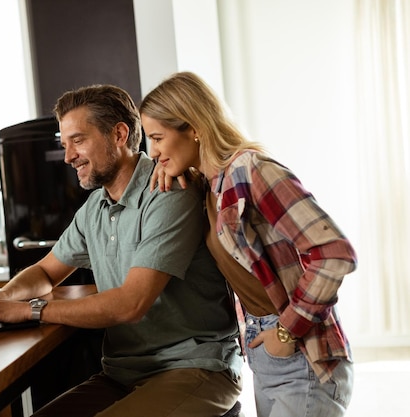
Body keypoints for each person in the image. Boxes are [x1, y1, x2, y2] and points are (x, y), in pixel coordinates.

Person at [0, 84, 243, 416]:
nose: (67, 157)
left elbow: (131, 304)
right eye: (64, 145)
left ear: (119, 134)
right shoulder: (96, 207)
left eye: (78, 140)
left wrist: (28, 310)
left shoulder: (168, 192)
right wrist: (5, 297)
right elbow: (46, 271)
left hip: (195, 367)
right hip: (123, 374)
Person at [140, 71, 357, 417]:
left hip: (301, 352)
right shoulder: (211, 185)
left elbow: (334, 253)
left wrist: (285, 333)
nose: (152, 152)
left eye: (156, 138)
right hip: (261, 350)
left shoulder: (250, 170)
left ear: (193, 127)